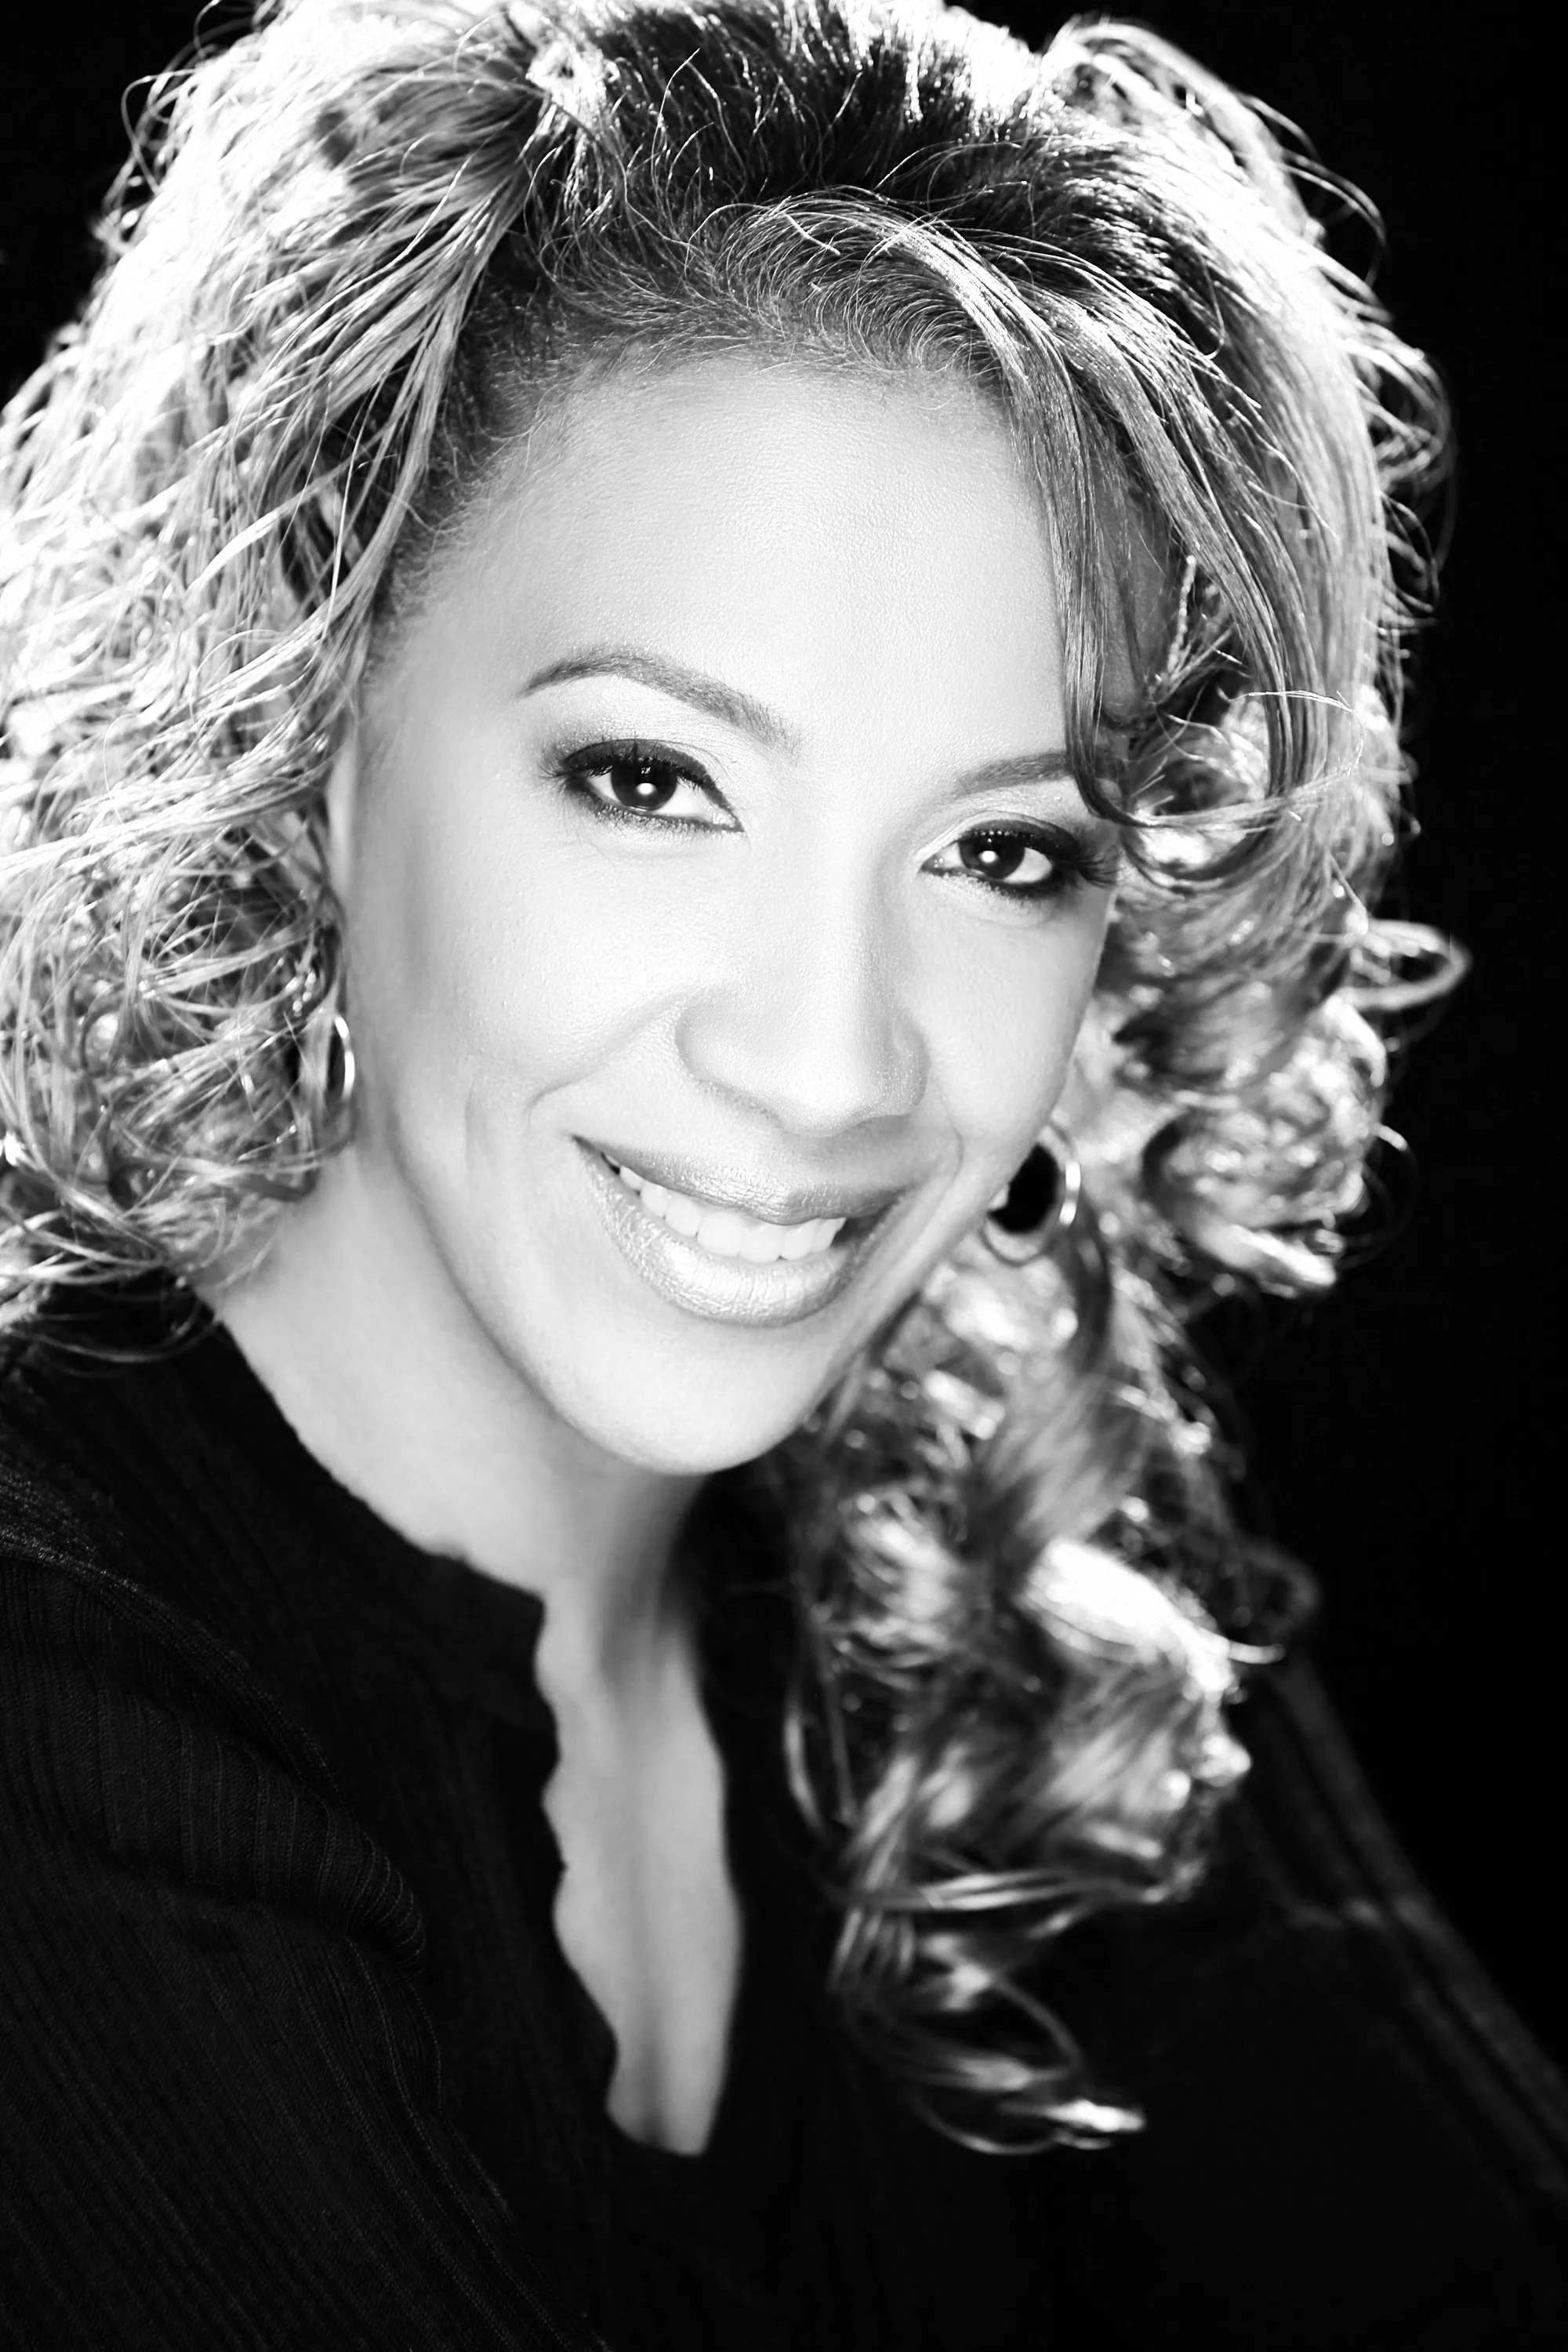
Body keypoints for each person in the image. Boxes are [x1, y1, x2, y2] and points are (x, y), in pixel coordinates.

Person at [1, 0, 1563, 2343]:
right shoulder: (47, 1696)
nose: (830, 1063)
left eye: (1004, 847)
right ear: (302, 723)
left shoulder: (1004, 1544)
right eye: (651, 783)